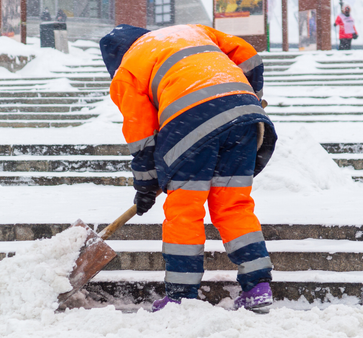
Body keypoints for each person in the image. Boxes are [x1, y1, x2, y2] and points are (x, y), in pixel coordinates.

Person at [100, 24, 277, 312]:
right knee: (234, 205)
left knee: (185, 210)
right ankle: (258, 286)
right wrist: (251, 95)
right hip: (246, 119)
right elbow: (250, 57)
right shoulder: (191, 31)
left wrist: (145, 186)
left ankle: (182, 296)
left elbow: (142, 137)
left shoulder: (126, 71)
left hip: (190, 123)